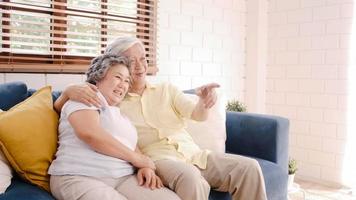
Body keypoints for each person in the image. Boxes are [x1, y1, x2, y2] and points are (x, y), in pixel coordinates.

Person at [54, 37, 267, 200]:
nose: (139, 66)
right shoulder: (110, 99)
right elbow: (77, 116)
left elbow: (197, 115)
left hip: (193, 154)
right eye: (130, 62)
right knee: (192, 179)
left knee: (249, 168)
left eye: (143, 59)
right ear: (115, 65)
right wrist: (67, 91)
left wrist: (203, 103)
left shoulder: (164, 90)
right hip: (160, 160)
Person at [48, 54, 180, 200]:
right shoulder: (85, 96)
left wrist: (145, 166)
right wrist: (137, 159)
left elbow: (131, 145)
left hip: (122, 177)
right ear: (98, 77)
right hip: (80, 175)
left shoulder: (120, 115)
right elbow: (89, 133)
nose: (123, 84)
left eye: (126, 81)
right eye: (118, 77)